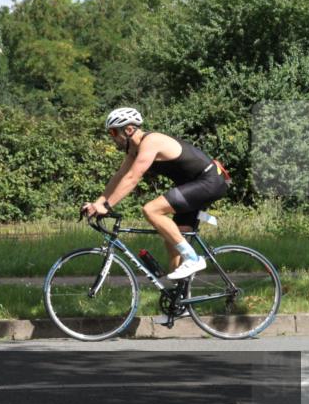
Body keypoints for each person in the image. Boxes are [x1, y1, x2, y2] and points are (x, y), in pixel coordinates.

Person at [82, 107, 229, 280]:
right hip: (194, 185)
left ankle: (192, 258)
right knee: (173, 240)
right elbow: (119, 176)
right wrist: (98, 203)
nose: (112, 137)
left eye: (114, 132)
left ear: (129, 130)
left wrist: (107, 206)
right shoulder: (133, 151)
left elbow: (132, 178)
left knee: (151, 209)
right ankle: (178, 300)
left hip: (209, 181)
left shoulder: (151, 142)